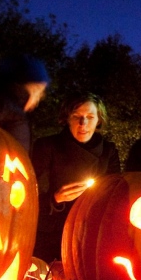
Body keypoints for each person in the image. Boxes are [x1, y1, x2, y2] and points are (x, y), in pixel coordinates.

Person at [30, 92, 121, 262]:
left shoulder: (108, 151)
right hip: (52, 234)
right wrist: (55, 199)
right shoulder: (46, 146)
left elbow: (115, 193)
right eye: (76, 116)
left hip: (90, 233)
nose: (83, 123)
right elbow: (28, 194)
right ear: (66, 118)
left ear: (98, 120)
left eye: (90, 117)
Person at [0, 54, 49, 152]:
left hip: (11, 164)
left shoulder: (17, 111)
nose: (39, 96)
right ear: (23, 85)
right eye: (37, 89)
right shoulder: (0, 104)